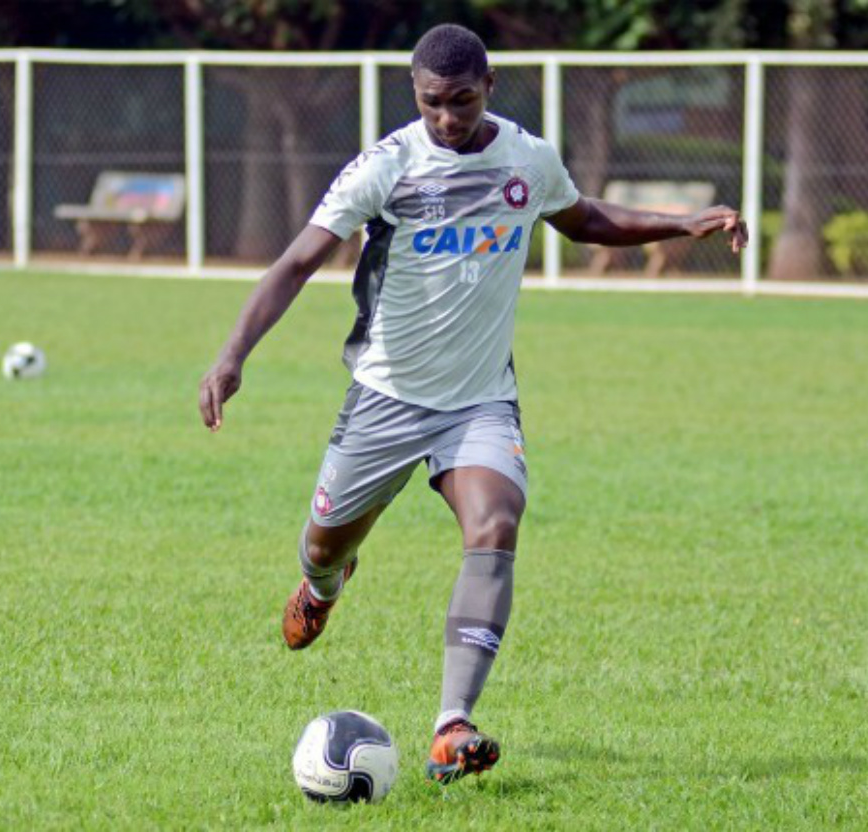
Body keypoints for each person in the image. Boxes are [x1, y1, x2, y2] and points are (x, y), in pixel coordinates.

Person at [199, 23, 747, 786]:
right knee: (323, 543)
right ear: (415, 96)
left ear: (489, 87)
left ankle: (450, 726)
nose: (449, 118)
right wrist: (232, 355)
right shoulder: (386, 168)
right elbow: (297, 262)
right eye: (433, 104)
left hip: (481, 399)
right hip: (386, 397)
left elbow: (582, 217)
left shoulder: (525, 158)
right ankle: (323, 587)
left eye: (462, 100)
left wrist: (680, 222)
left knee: (495, 523)